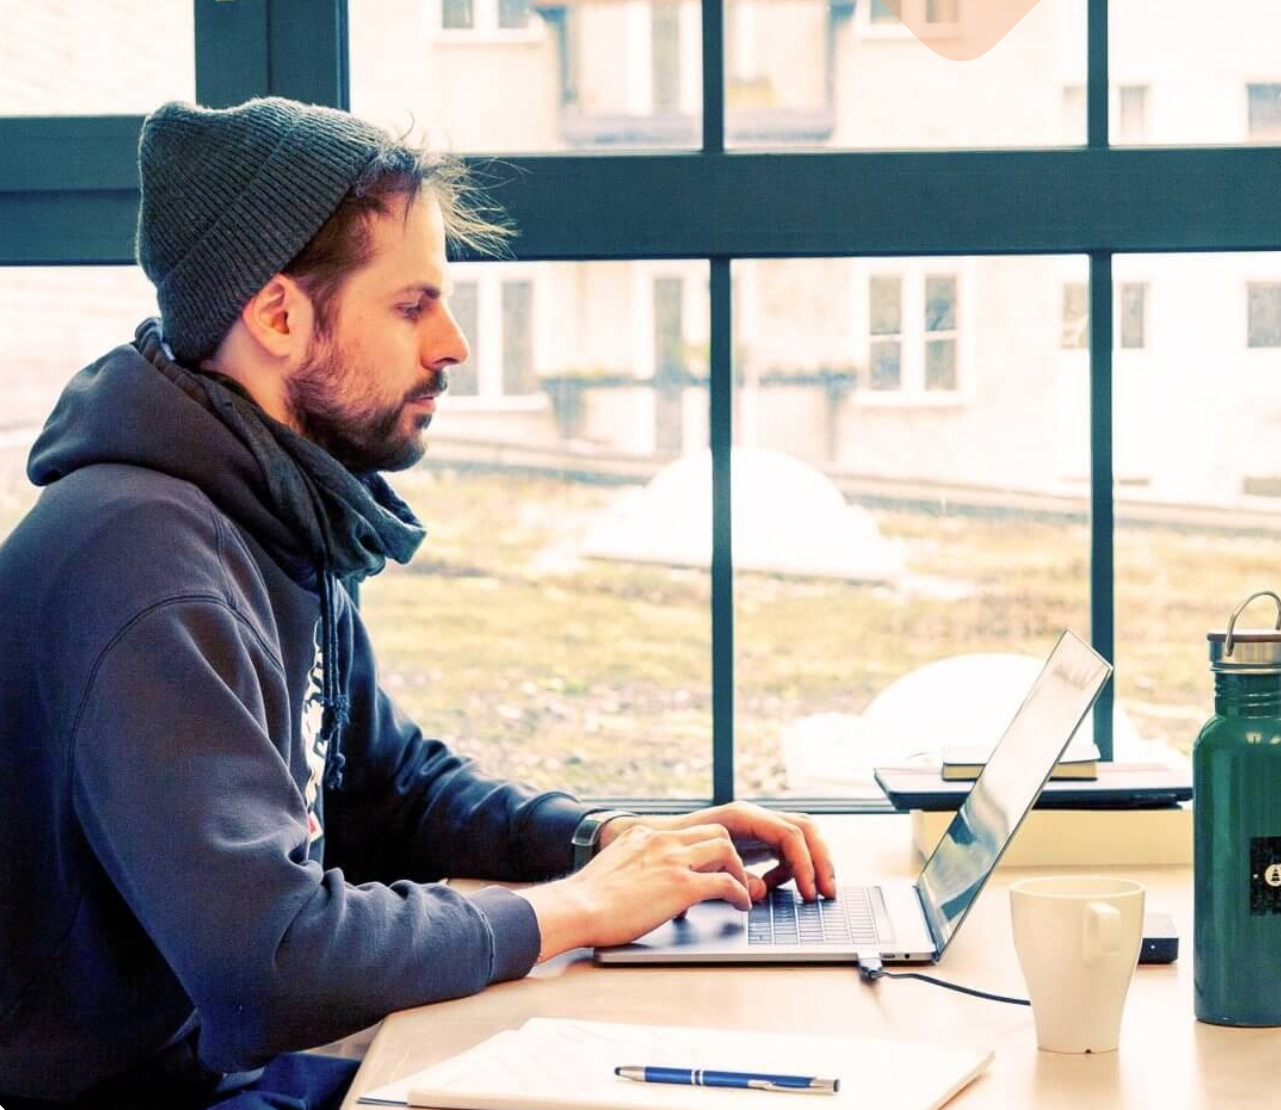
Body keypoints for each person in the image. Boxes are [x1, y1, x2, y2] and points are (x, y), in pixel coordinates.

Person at [0, 97, 838, 1109]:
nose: (453, 344)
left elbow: (391, 793)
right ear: (278, 316)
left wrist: (602, 842)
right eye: (411, 306)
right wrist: (577, 911)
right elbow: (271, 962)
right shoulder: (142, 566)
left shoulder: (271, 514)